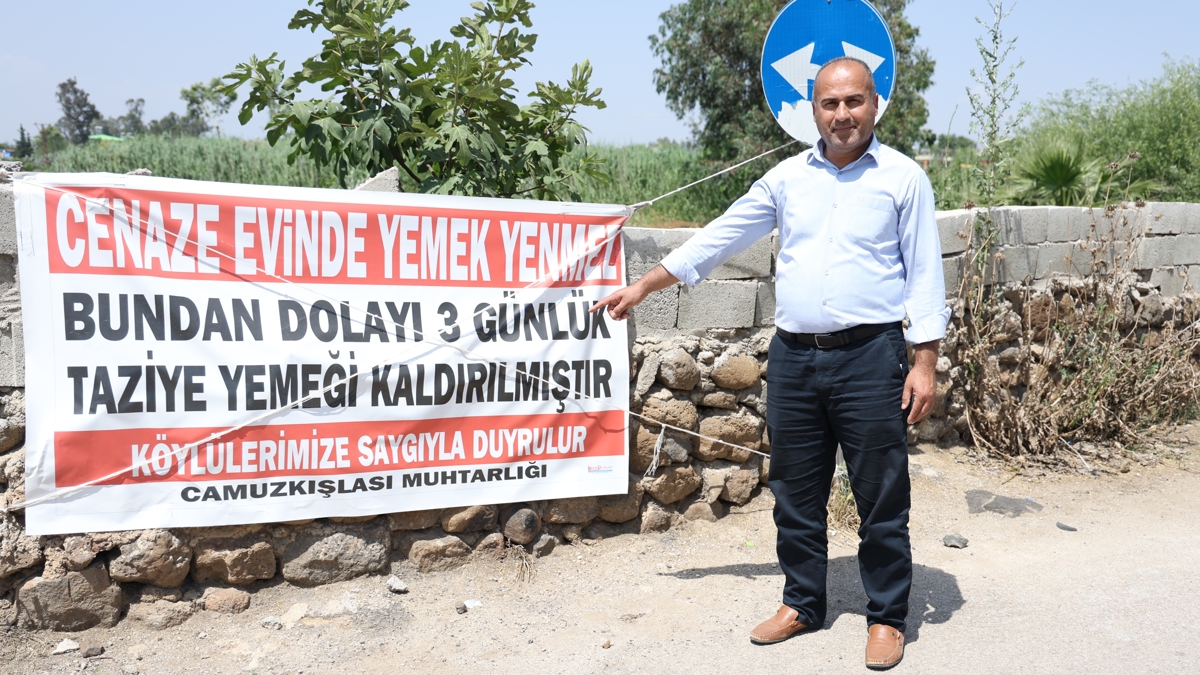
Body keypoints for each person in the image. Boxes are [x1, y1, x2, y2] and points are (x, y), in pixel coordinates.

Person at [592, 56, 949, 670]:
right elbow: (720, 235)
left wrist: (924, 363)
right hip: (794, 358)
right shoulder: (787, 179)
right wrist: (646, 285)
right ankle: (802, 602)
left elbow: (923, 276)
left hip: (872, 357)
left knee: (881, 493)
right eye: (830, 103)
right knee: (794, 491)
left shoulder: (903, 178)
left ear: (875, 104)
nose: (842, 114)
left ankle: (888, 616)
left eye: (854, 101)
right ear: (814, 110)